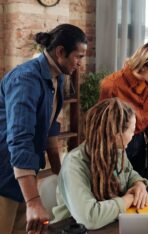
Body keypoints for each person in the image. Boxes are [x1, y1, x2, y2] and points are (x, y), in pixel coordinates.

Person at [0, 24, 87, 234]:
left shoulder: (57, 77)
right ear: (60, 52)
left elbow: (49, 128)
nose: (80, 64)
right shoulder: (26, 79)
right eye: (78, 56)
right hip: (4, 174)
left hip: (24, 176)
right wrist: (33, 202)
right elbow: (20, 140)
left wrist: (59, 175)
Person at [52, 98, 148, 230]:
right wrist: (128, 199)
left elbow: (129, 174)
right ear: (116, 134)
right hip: (71, 228)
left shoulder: (117, 150)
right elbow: (89, 218)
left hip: (110, 225)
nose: (133, 135)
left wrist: (139, 184)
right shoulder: (74, 164)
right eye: (132, 130)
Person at [99, 41, 148, 175]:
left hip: (139, 141)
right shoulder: (111, 85)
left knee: (139, 183)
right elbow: (103, 127)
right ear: (144, 66)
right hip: (117, 143)